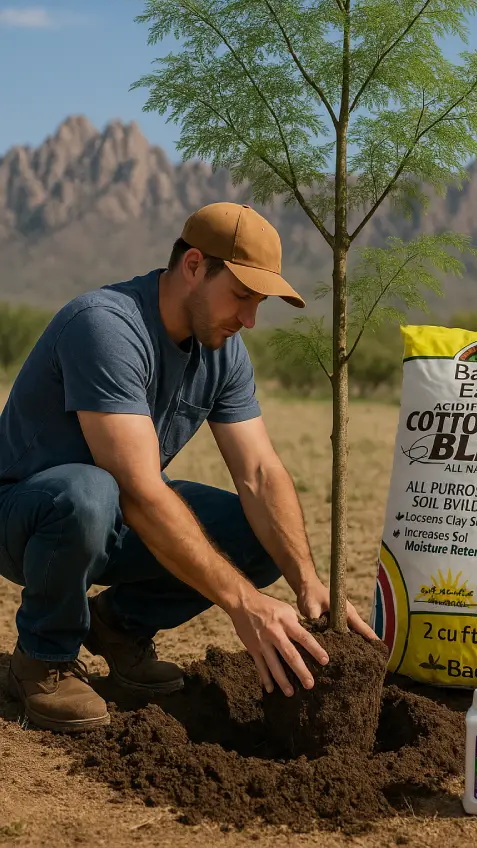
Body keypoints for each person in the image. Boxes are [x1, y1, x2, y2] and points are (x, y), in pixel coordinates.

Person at [0, 201, 375, 733]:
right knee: (91, 492)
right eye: (242, 295)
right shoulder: (105, 325)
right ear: (194, 266)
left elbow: (260, 473)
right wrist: (245, 605)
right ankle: (42, 658)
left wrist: (307, 581)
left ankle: (119, 628)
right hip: (27, 515)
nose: (249, 319)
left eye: (259, 303)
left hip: (115, 515)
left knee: (258, 535)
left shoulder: (223, 350)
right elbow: (138, 489)